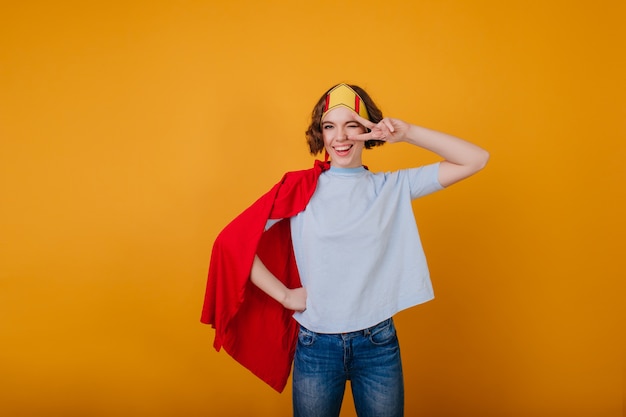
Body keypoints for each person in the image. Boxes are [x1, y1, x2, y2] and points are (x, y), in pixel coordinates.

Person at [246, 83, 489, 417]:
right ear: (320, 133)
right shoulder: (300, 190)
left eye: (352, 125)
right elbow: (235, 243)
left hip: (377, 344)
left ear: (368, 129)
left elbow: (476, 159)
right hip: (316, 346)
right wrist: (287, 296)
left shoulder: (392, 187)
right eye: (330, 126)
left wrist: (408, 133)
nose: (340, 137)